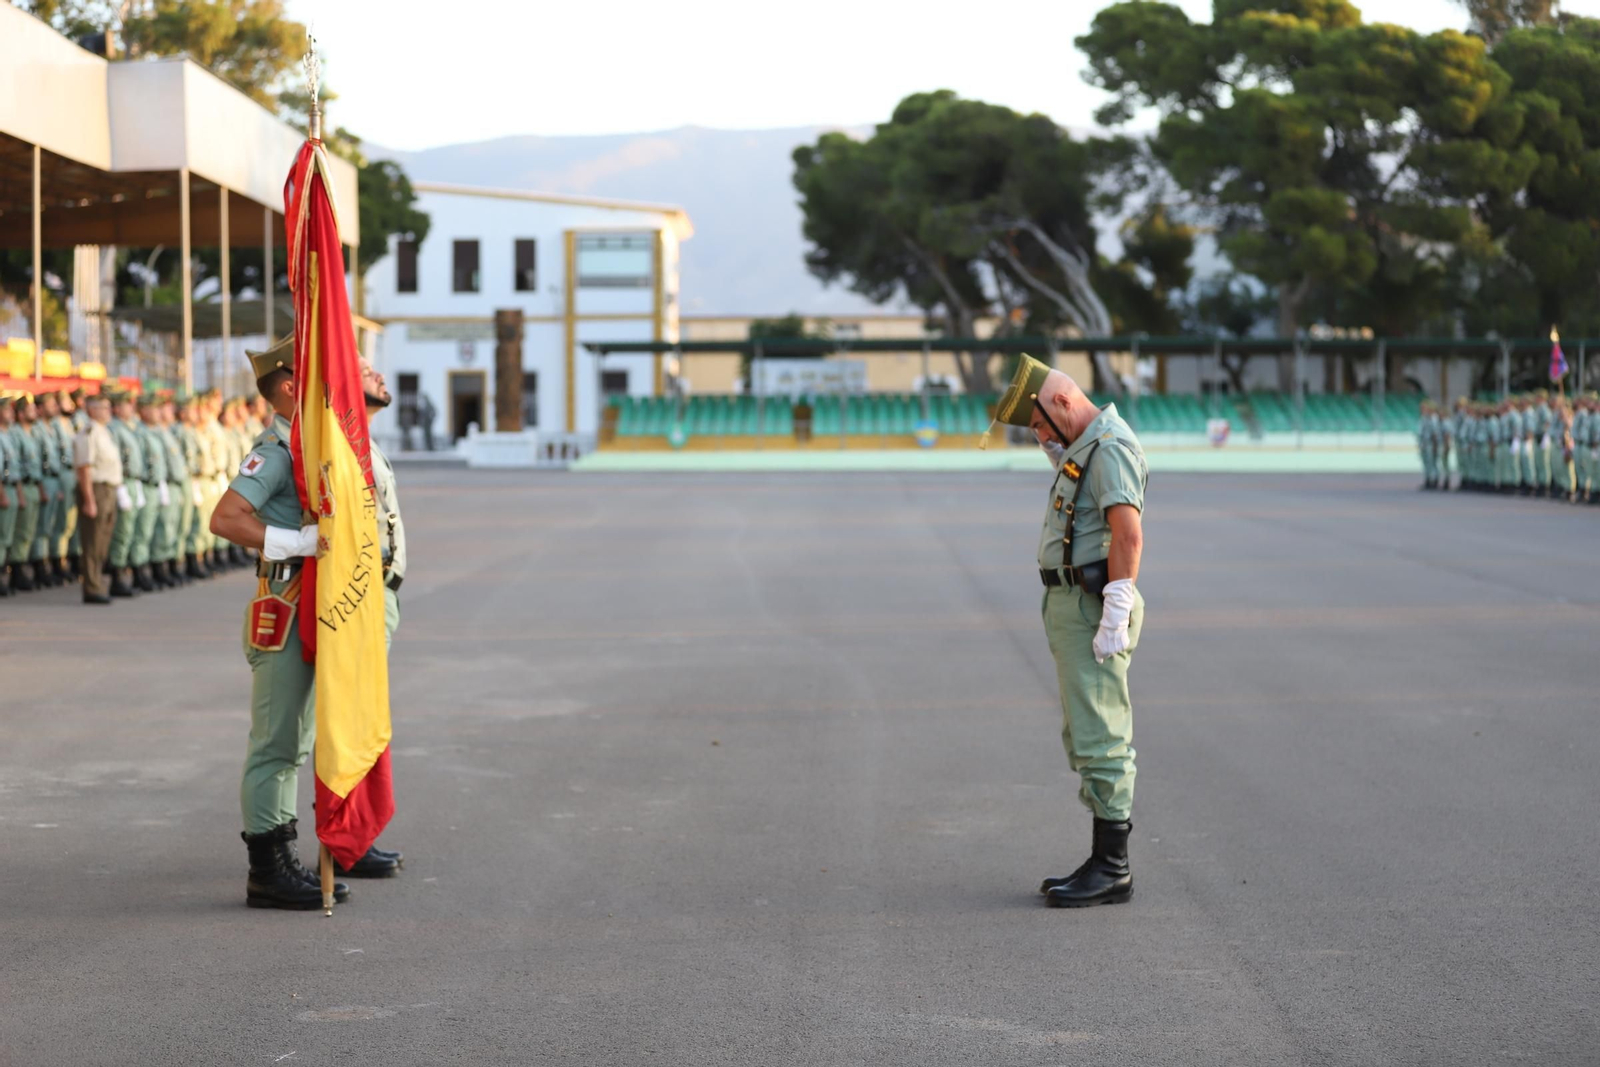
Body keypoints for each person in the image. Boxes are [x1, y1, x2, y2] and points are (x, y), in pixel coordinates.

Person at [986, 355, 1147, 908]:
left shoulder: (1109, 448)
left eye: (1039, 425)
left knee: (1102, 733)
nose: (1039, 437)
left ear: (1062, 401)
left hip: (1092, 605)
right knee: (1083, 732)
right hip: (1071, 602)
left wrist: (1116, 609)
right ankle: (1102, 859)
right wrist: (1062, 454)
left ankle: (1113, 867)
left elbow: (1128, 535)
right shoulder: (1086, 447)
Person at [209, 337, 351, 909]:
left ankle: (285, 854)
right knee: (275, 743)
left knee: (296, 742)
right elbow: (225, 517)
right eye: (314, 375)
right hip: (285, 606)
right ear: (291, 385)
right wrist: (298, 541)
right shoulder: (275, 452)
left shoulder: (309, 445)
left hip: (312, 604)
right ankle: (266, 870)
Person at [327, 354, 408, 880]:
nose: (378, 375)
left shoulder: (366, 440)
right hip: (362, 597)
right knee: (354, 716)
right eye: (364, 370)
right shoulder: (342, 442)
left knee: (366, 712)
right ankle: (346, 839)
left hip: (382, 595)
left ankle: (356, 833)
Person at [73, 394, 122, 605]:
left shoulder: (104, 432)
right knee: (92, 542)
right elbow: (84, 468)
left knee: (102, 541)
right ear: (92, 410)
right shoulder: (88, 433)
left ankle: (98, 582)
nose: (108, 411)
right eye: (104, 407)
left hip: (109, 489)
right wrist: (89, 500)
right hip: (96, 489)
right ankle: (91, 587)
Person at [132, 393, 169, 591]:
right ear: (144, 410)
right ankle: (138, 572)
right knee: (142, 532)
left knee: (156, 530)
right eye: (154, 408)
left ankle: (155, 570)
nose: (158, 412)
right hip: (144, 486)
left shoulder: (157, 432)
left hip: (156, 486)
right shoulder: (139, 433)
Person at [8, 394, 45, 592]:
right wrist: (20, 493)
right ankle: (16, 571)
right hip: (20, 486)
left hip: (33, 485)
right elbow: (16, 467)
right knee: (18, 532)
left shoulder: (33, 433)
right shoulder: (15, 433)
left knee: (29, 531)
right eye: (29, 410)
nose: (34, 412)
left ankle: (21, 569)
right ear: (21, 414)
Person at [0, 395, 20, 597]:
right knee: (2, 537)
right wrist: (3, 495)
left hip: (12, 488)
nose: (11, 413)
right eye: (6, 409)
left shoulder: (9, 435)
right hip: (4, 489)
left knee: (8, 537)